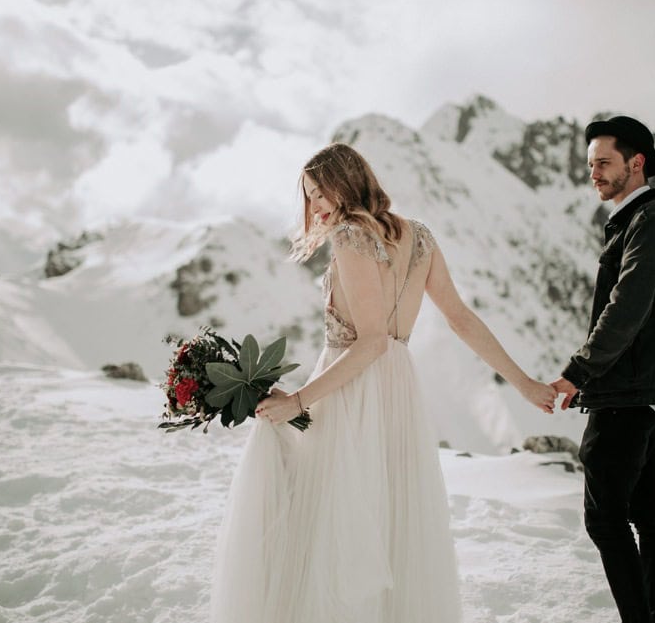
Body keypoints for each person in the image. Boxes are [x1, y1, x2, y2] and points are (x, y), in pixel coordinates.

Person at [210, 142, 557, 623]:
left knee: (328, 516)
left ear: (347, 183)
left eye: (320, 193)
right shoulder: (421, 237)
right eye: (309, 198)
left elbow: (370, 340)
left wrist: (298, 400)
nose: (316, 207)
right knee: (386, 516)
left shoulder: (351, 236)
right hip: (397, 388)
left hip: (351, 388)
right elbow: (460, 318)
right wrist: (525, 383)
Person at [551, 115, 655, 623]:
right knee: (648, 513)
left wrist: (579, 371)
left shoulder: (650, 223)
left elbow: (627, 307)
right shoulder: (640, 221)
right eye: (590, 164)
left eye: (604, 163)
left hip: (626, 389)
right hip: (636, 387)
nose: (594, 173)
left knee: (605, 519)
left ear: (637, 163)